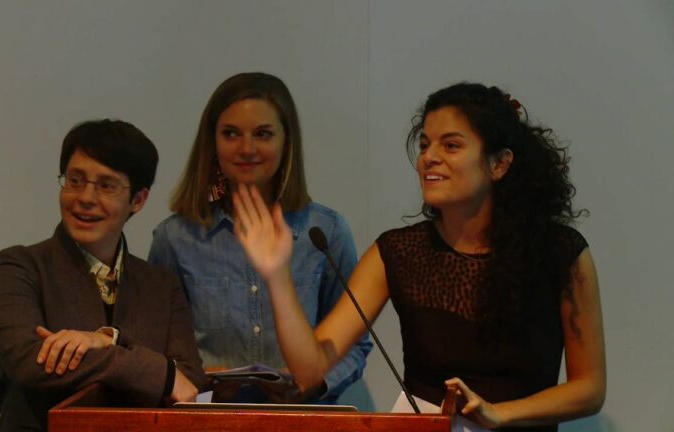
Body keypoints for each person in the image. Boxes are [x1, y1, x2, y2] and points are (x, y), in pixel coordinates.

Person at [231, 83, 606, 430]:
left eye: (451, 146)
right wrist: (276, 275)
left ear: (499, 164)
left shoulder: (561, 253)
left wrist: (499, 414)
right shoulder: (396, 252)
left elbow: (590, 387)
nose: (429, 158)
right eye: (425, 145)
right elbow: (309, 369)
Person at [148, 72, 372, 403]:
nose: (247, 148)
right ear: (212, 143)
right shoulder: (175, 238)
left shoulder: (325, 232)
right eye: (231, 134)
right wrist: (199, 380)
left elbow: (354, 344)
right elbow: (157, 346)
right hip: (209, 418)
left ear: (286, 142)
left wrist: (310, 384)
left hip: (303, 418)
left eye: (263, 134)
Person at [0, 119, 207, 431]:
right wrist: (152, 370)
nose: (86, 198)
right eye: (75, 180)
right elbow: (29, 361)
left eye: (106, 186)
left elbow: (189, 379)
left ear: (138, 200)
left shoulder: (161, 286)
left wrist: (108, 339)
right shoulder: (19, 266)